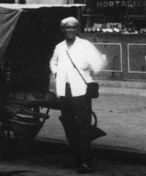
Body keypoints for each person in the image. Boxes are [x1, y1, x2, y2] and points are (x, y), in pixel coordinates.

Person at [50, 16, 106, 174]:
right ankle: (76, 158)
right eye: (67, 27)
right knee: (69, 125)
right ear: (63, 30)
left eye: (73, 27)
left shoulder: (85, 45)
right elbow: (53, 62)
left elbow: (99, 61)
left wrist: (87, 66)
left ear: (77, 29)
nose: (70, 30)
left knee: (83, 126)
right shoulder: (60, 47)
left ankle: (86, 162)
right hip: (64, 90)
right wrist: (56, 72)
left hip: (81, 90)